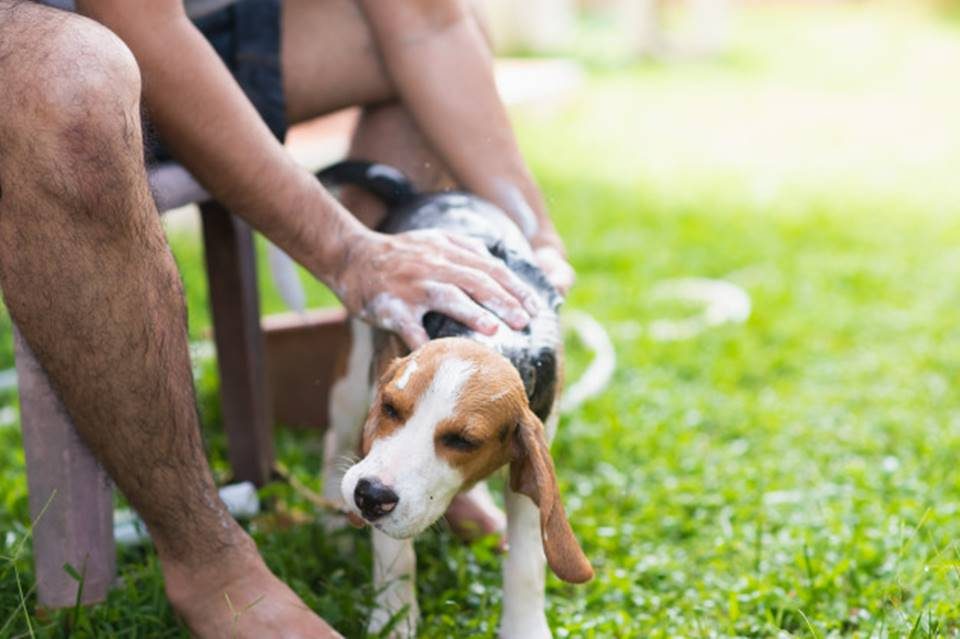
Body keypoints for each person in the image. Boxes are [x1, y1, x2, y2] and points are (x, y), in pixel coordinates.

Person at [0, 0, 573, 636]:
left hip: (213, 21)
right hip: (45, 28)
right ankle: (207, 562)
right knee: (73, 78)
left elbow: (426, 19)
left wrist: (535, 233)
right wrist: (347, 249)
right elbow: (137, 20)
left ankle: (433, 470)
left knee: (452, 40)